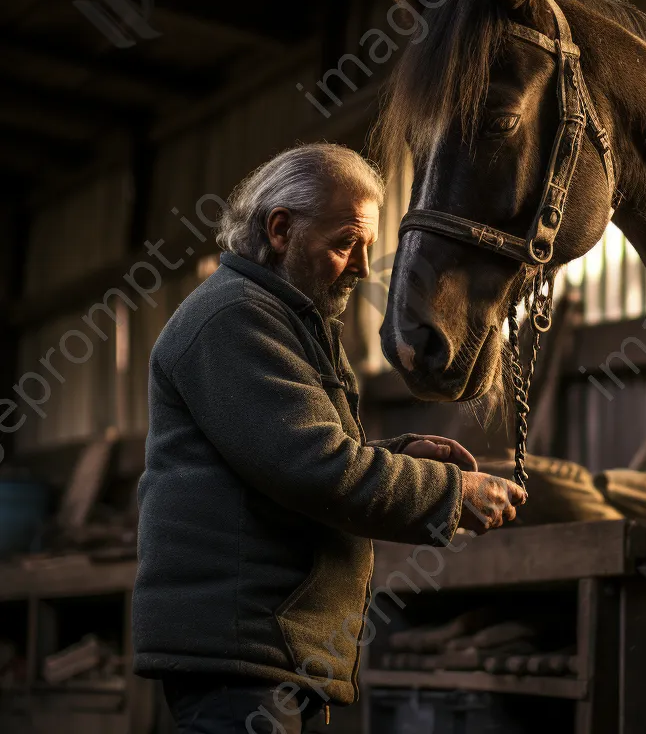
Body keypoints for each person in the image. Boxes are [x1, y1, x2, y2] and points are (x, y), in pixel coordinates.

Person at [132, 142, 525, 732]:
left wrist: (398, 459)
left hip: (271, 651)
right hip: (243, 654)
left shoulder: (290, 319)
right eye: (347, 243)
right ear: (281, 229)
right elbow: (316, 468)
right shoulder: (235, 318)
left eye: (368, 248)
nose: (365, 269)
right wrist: (449, 492)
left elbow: (300, 456)